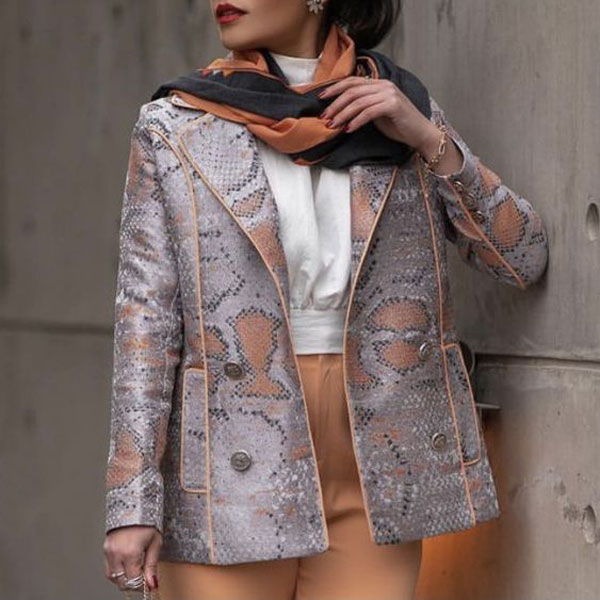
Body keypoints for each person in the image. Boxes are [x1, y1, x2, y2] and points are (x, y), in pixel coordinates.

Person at [102, 1, 549, 599]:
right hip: (232, 457)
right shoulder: (177, 126)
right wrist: (131, 500)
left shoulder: (396, 109)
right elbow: (145, 324)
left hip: (380, 457)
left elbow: (521, 258)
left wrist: (427, 139)